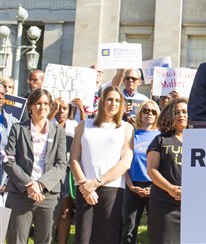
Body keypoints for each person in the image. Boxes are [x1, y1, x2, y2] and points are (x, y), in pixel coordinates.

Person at [70, 86, 134, 244]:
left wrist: (97, 182)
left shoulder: (126, 128)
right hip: (84, 189)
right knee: (84, 238)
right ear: (102, 101)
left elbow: (125, 162)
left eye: (118, 101)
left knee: (107, 238)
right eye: (110, 99)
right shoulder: (84, 125)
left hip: (112, 190)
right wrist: (85, 185)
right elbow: (74, 159)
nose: (113, 103)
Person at [4, 89, 67, 243]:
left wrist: (40, 184)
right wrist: (29, 185)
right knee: (15, 240)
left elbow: (61, 163)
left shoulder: (58, 131)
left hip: (48, 195)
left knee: (45, 240)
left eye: (46, 103)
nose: (42, 107)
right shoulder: (18, 129)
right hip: (20, 194)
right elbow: (8, 160)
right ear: (30, 106)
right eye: (38, 103)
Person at [147, 97, 188, 244]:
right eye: (177, 112)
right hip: (165, 204)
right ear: (170, 115)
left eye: (185, 111)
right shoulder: (160, 140)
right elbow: (152, 170)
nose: (181, 115)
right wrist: (170, 189)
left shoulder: (201, 140)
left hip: (193, 205)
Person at [121, 100, 161, 244]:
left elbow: (163, 167)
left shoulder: (161, 137)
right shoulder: (131, 135)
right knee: (128, 229)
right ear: (140, 113)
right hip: (132, 186)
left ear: (157, 115)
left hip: (155, 187)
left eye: (153, 111)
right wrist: (130, 185)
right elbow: (123, 162)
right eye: (146, 110)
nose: (149, 113)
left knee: (156, 229)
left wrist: (153, 188)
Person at [49, 98, 86, 244]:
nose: (60, 111)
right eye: (58, 108)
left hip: (67, 173)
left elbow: (86, 130)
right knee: (50, 211)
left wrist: (82, 109)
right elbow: (45, 127)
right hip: (50, 171)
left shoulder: (73, 125)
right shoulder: (49, 122)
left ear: (70, 110)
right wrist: (53, 110)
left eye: (64, 108)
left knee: (65, 212)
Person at [0, 83, 19, 206]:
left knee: (2, 224)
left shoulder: (13, 123)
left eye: (2, 94)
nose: (0, 97)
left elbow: (17, 155)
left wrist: (7, 181)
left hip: (3, 184)